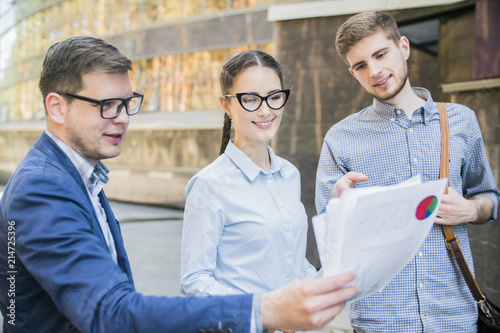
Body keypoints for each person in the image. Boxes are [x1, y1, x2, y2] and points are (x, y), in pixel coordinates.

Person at [0, 36, 357, 333]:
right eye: (107, 105)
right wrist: (264, 310)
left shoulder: (82, 176)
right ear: (57, 108)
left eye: (127, 103)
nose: (123, 118)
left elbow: (296, 268)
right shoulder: (41, 188)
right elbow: (109, 311)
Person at [315, 10, 500, 332]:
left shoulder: (461, 121)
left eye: (380, 54)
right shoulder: (340, 138)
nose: (374, 71)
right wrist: (337, 206)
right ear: (352, 72)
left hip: (454, 315)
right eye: (360, 65)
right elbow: (331, 246)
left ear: (403, 46)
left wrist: (470, 209)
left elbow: (489, 197)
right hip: (381, 321)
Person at [180, 50, 317, 303]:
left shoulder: (289, 174)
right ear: (226, 105)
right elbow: (195, 280)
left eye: (274, 97)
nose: (266, 111)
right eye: (251, 99)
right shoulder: (210, 185)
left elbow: (295, 265)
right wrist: (264, 313)